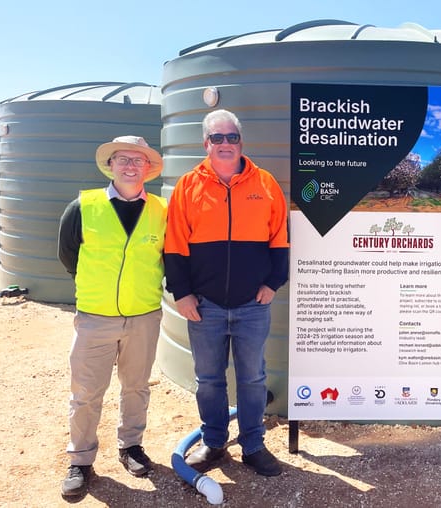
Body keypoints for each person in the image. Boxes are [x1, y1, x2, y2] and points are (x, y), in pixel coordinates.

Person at [164, 109, 289, 476]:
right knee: (208, 380)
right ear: (206, 143)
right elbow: (174, 245)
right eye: (217, 138)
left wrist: (272, 284)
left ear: (240, 142)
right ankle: (215, 442)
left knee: (253, 378)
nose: (225, 144)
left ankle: (253, 445)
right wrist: (182, 293)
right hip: (205, 305)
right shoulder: (188, 186)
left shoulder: (265, 184)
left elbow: (280, 239)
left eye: (231, 137)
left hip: (253, 304)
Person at [57, 136, 166, 497]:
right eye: (123, 159)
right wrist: (97, 289)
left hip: (144, 316)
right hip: (95, 317)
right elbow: (68, 255)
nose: (131, 166)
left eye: (138, 160)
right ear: (111, 165)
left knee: (136, 386)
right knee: (86, 392)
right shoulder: (83, 206)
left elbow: (170, 258)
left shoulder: (162, 211)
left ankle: (131, 446)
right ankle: (80, 460)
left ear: (148, 168)